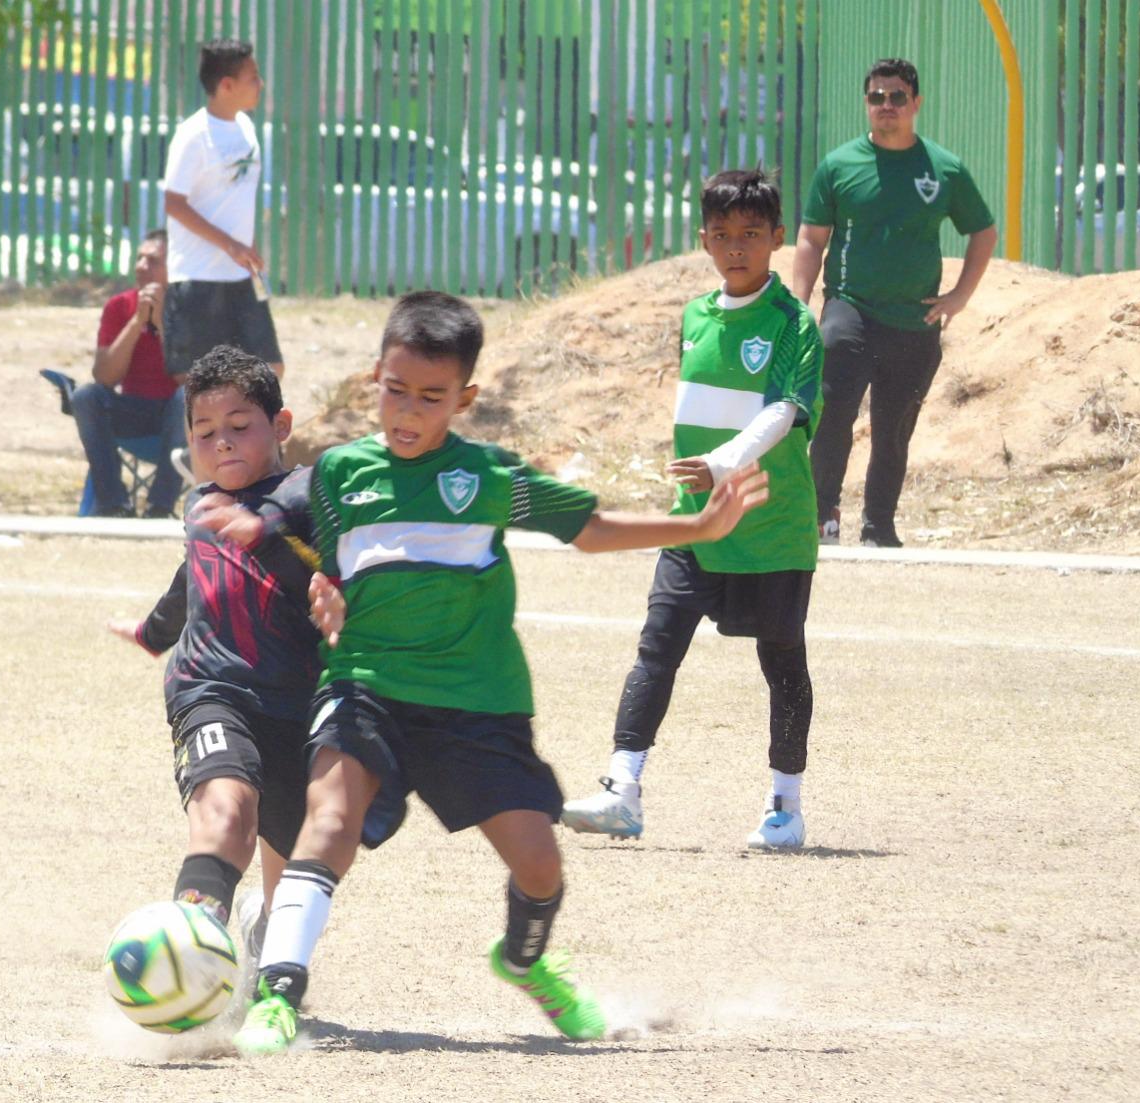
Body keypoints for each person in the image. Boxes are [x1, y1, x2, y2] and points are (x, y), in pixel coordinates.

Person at [191, 290, 769, 1057]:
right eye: (396, 390)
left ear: (464, 397)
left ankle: (524, 959)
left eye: (431, 397)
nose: (408, 411)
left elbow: (590, 527)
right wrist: (287, 555)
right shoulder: (338, 476)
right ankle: (277, 993)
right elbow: (293, 536)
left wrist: (697, 525)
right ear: (376, 378)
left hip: (477, 703)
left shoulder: (490, 477)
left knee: (539, 861)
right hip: (364, 687)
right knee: (325, 824)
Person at [561, 169, 823, 853]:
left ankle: (784, 806)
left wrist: (724, 464)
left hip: (771, 524)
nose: (736, 247)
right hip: (694, 520)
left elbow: (783, 411)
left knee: (782, 661)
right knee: (658, 644)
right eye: (723, 234)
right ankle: (623, 788)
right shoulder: (696, 314)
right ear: (704, 238)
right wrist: (701, 477)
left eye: (751, 235)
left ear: (774, 239)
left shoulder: (794, 322)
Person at [107, 345, 325, 965]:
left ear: (280, 428)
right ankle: (191, 957)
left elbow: (329, 577)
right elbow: (194, 576)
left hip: (299, 706)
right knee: (227, 816)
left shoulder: (309, 499)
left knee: (291, 885)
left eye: (238, 427)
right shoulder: (199, 505)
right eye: (205, 432)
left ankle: (264, 950)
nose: (222, 443)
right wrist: (154, 633)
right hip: (211, 690)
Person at [792, 57, 997, 548]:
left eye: (897, 97)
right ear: (866, 104)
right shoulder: (839, 165)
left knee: (893, 428)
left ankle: (878, 526)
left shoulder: (943, 169)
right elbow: (811, 239)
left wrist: (959, 297)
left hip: (915, 318)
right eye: (877, 97)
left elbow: (983, 232)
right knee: (834, 408)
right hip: (850, 308)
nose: (886, 106)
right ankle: (822, 516)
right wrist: (800, 303)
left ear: (916, 103)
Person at [162, 38, 284, 387]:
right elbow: (174, 204)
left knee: (269, 368)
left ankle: (250, 441)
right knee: (199, 383)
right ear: (226, 85)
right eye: (253, 77)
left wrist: (249, 246)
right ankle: (190, 443)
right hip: (198, 277)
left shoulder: (246, 128)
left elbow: (238, 196)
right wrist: (230, 245)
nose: (260, 84)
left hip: (239, 278)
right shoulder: (193, 135)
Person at [72, 229, 188, 517]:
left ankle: (159, 507)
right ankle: (113, 505)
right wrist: (137, 322)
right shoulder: (119, 307)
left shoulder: (191, 307)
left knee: (188, 397)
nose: (141, 266)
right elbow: (105, 378)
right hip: (133, 410)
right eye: (139, 258)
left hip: (176, 418)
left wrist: (161, 324)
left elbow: (189, 379)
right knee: (87, 396)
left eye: (152, 261)